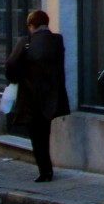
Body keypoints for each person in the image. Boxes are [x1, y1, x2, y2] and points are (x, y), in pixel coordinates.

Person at [5, 10, 70, 183]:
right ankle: (47, 169)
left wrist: (15, 79)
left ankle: (44, 170)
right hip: (51, 97)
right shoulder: (56, 41)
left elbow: (11, 64)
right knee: (44, 133)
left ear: (32, 25)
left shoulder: (26, 42)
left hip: (31, 97)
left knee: (36, 136)